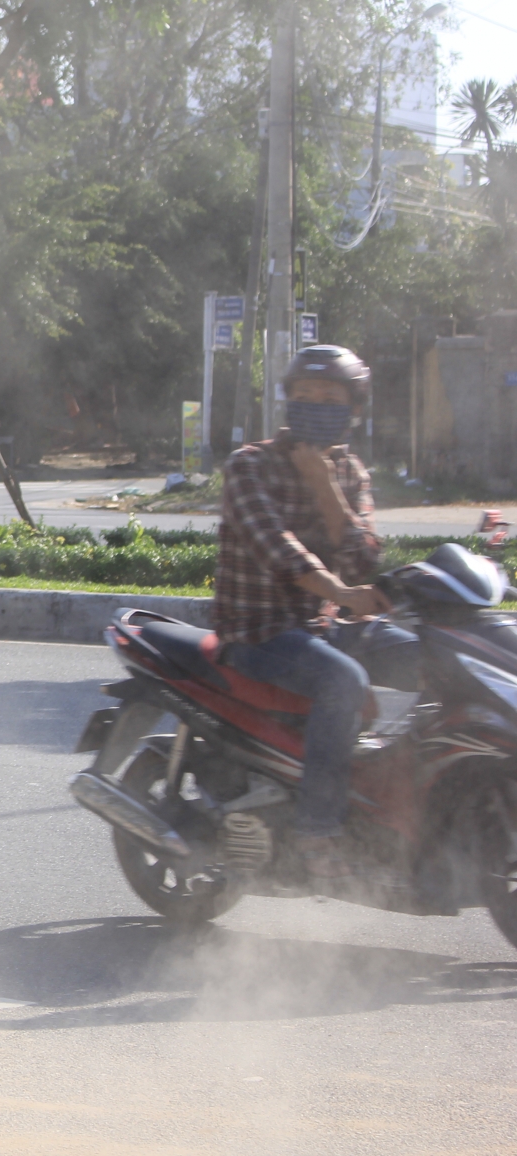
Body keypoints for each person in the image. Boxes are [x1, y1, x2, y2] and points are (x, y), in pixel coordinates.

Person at [215, 345, 418, 879]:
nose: (314, 406)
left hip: (322, 627)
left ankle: (408, 801)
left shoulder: (349, 470)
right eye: (304, 395)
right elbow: (277, 549)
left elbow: (364, 555)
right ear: (287, 401)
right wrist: (342, 592)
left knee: (430, 657)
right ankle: (318, 831)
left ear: (353, 410)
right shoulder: (249, 464)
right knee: (343, 681)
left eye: (330, 398)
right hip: (257, 634)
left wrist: (325, 485)